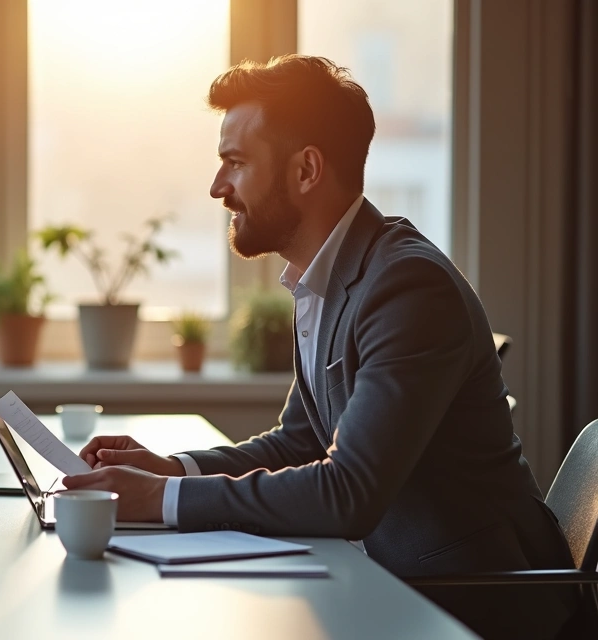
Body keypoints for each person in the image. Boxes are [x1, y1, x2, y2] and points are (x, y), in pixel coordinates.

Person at [64, 55, 581, 639]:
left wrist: (163, 498)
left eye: (235, 163)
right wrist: (172, 468)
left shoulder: (409, 288)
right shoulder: (328, 278)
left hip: (468, 608)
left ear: (306, 169)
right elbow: (302, 440)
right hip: (393, 584)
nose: (217, 188)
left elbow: (348, 493)